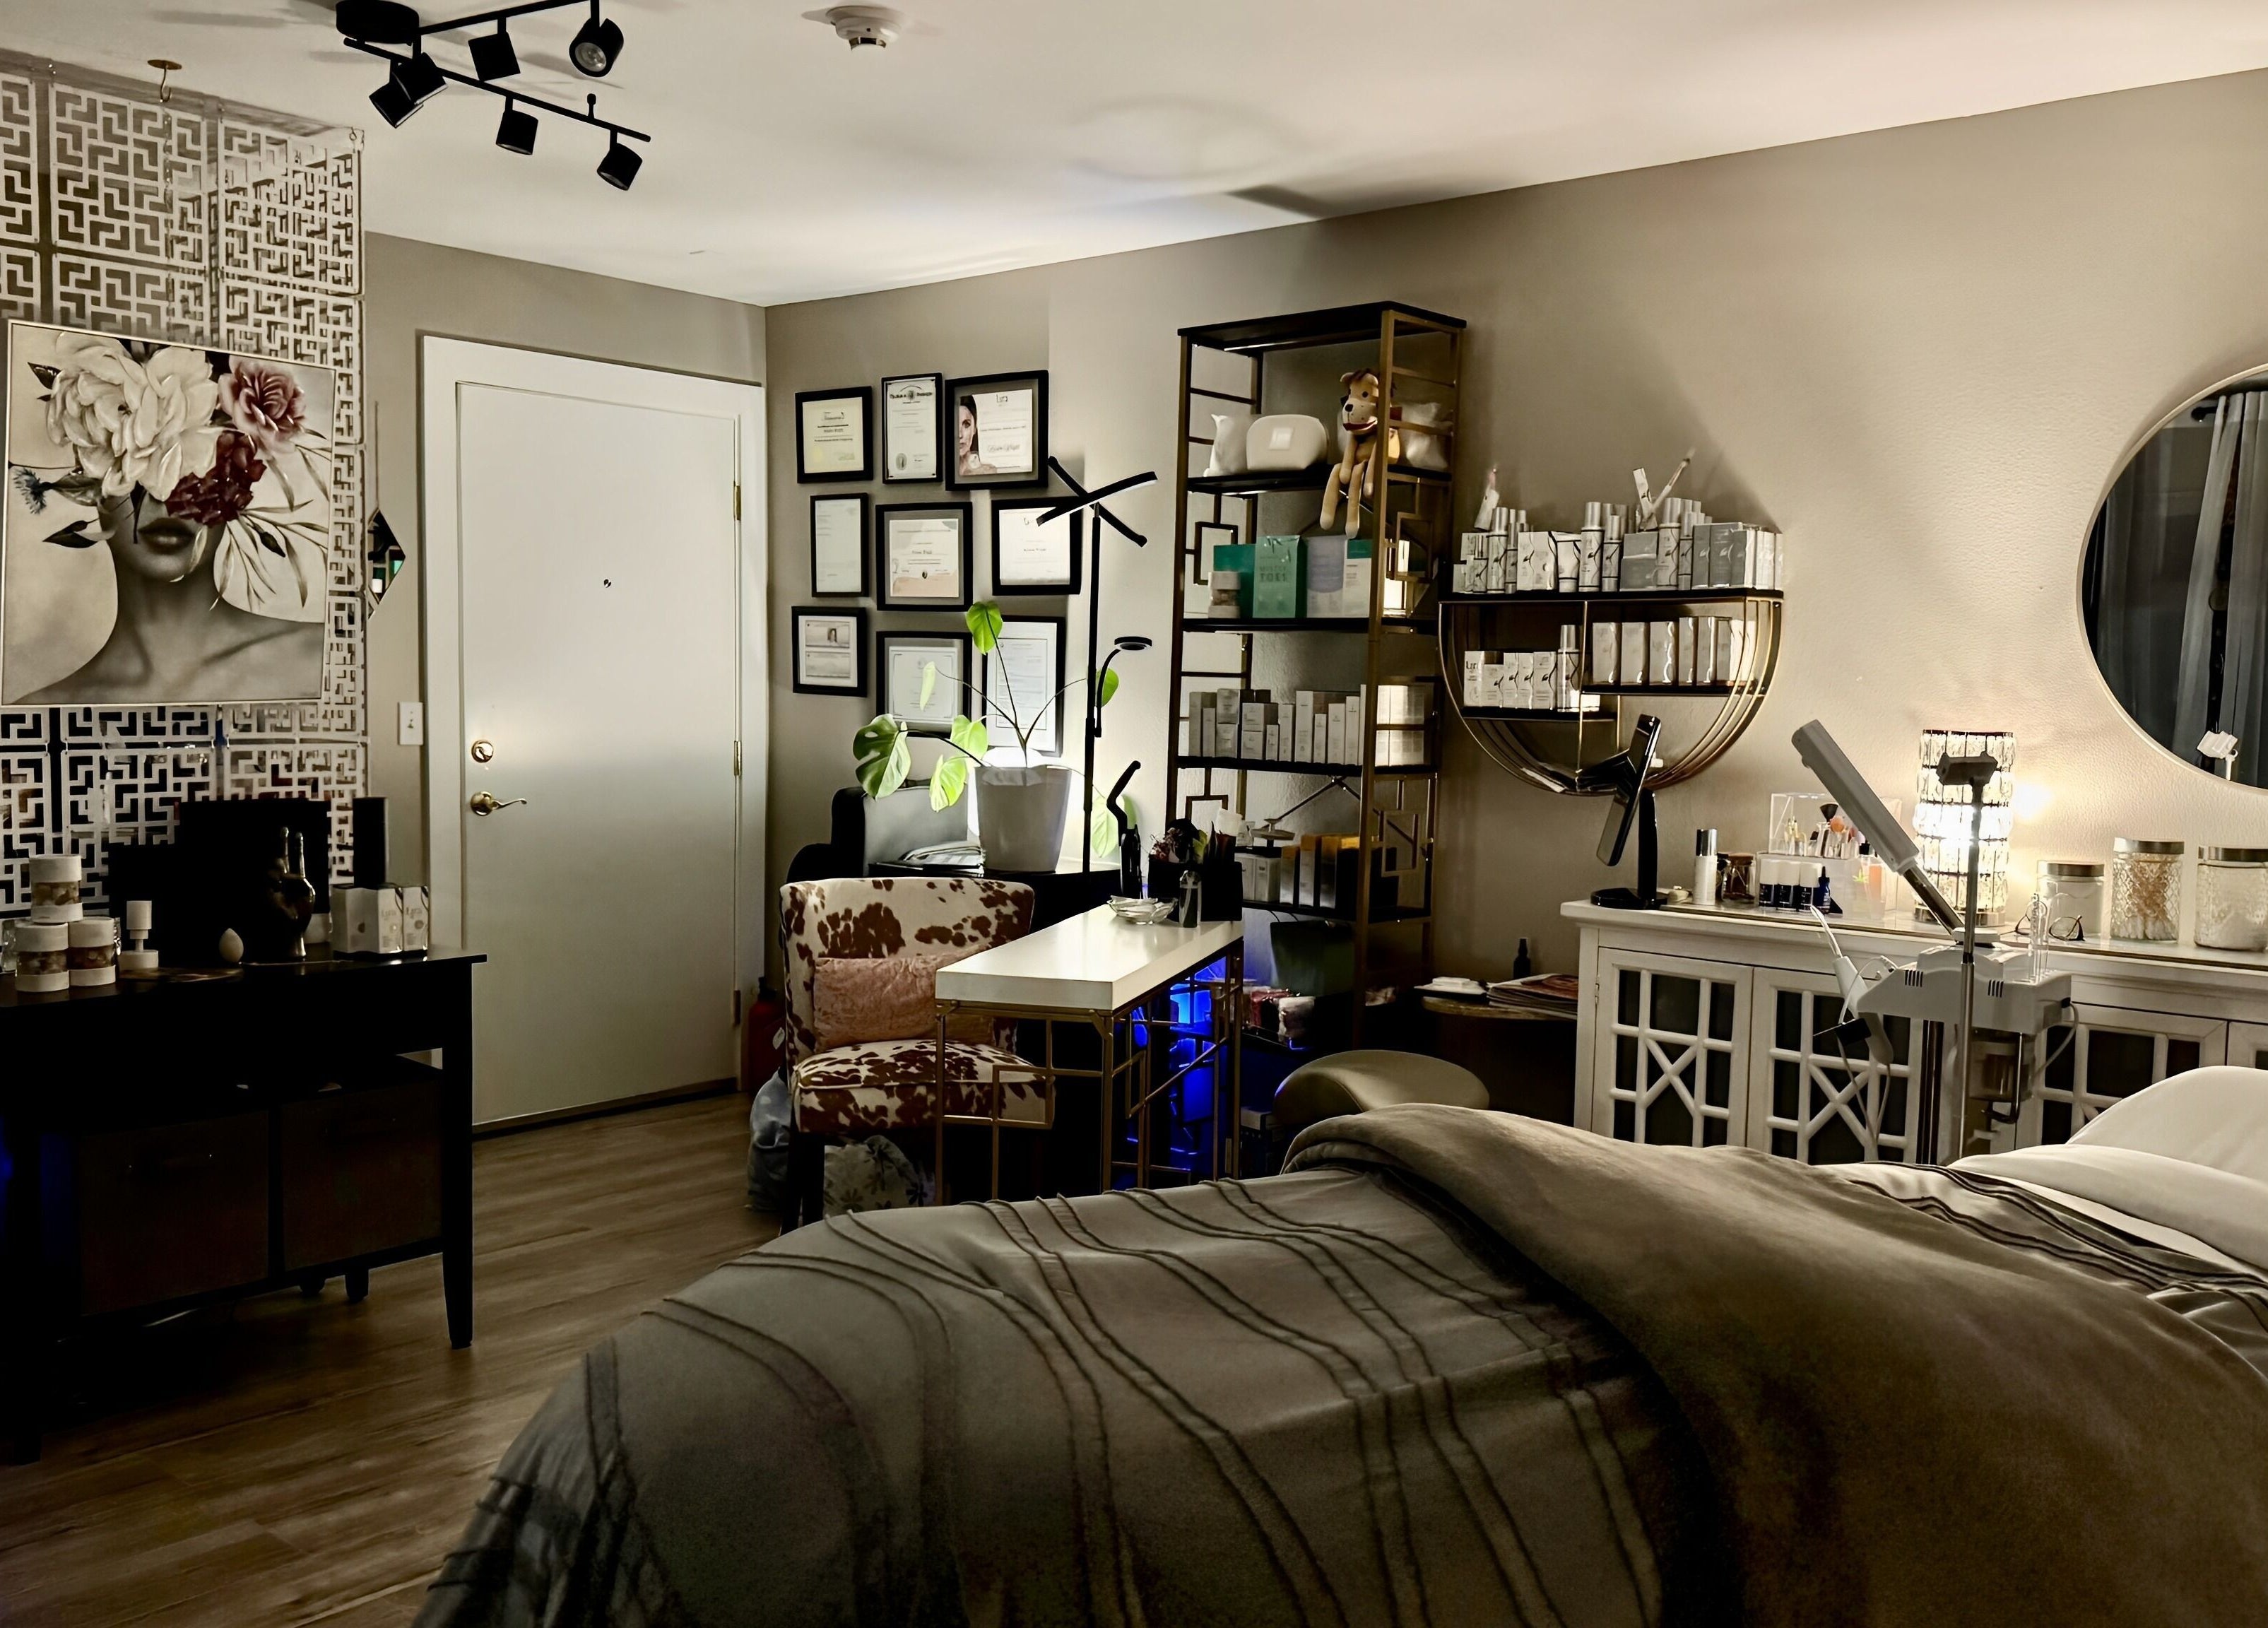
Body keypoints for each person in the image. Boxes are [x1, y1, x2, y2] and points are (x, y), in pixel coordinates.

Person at [6, 331, 328, 704]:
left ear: (240, 478)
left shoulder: (317, 664)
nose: (166, 494)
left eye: (199, 457)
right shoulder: (45, 711)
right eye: (140, 452)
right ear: (90, 473)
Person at [955, 395, 997, 479]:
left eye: (966, 425)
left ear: (974, 428)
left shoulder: (987, 473)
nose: (960, 435)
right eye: (954, 425)